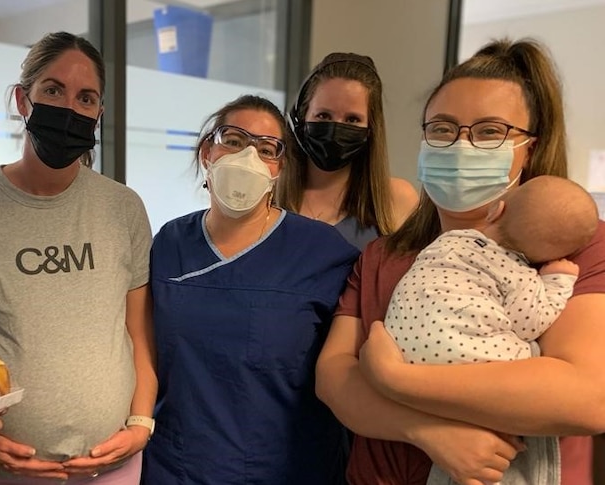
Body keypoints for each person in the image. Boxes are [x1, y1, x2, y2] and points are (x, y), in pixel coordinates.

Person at [314, 38, 605, 485]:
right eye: (443, 129)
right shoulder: (384, 256)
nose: (460, 147)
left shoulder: (577, 248)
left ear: (530, 147)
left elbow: (586, 397)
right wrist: (427, 430)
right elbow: (334, 378)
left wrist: (395, 380)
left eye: (490, 131)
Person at [0, 31, 156, 484]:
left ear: (99, 114)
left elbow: (139, 336)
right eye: (52, 90)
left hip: (112, 467)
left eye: (86, 98)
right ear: (22, 100)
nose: (68, 109)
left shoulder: (123, 208)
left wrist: (141, 425)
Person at [142, 94, 360, 484]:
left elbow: (353, 369)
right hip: (176, 468)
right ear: (208, 150)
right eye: (235, 140)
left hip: (286, 469)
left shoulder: (323, 253)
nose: (248, 158)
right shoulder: (171, 241)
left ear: (279, 168)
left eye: (266, 149)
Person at [384, 175, 599, 484]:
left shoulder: (449, 241)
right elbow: (530, 323)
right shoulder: (518, 274)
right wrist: (558, 281)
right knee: (535, 355)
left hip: (406, 345)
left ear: (496, 211)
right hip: (471, 361)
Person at [280, 52, 418, 249]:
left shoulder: (396, 200)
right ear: (299, 119)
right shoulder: (270, 193)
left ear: (371, 129)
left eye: (352, 119)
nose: (336, 128)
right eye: (323, 115)